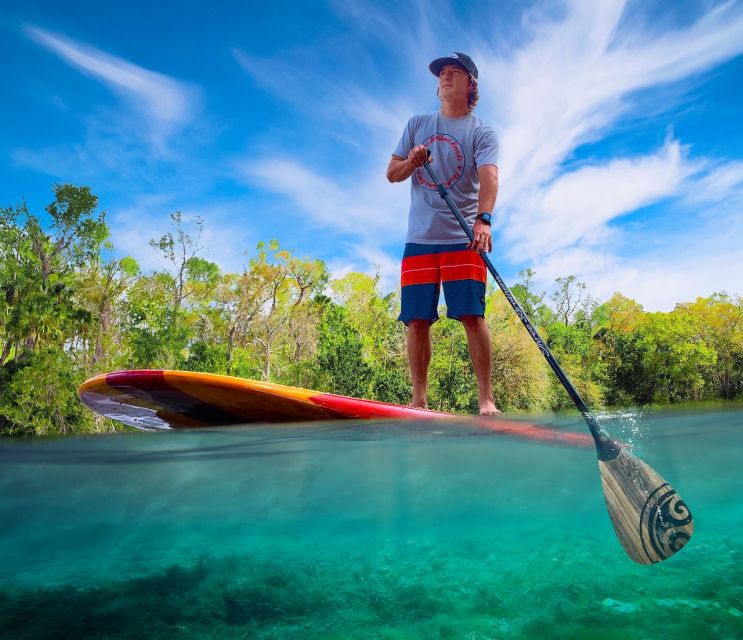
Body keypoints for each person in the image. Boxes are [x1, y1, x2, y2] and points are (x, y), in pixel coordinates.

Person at [386, 52, 500, 415]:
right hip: (419, 239)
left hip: (463, 236)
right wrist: (412, 161)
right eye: (442, 74)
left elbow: (489, 178)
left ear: (471, 84)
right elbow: (392, 173)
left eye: (454, 72)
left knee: (472, 316)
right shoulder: (417, 124)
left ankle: (486, 400)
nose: (445, 77)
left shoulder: (482, 132)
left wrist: (483, 220)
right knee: (417, 320)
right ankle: (418, 400)